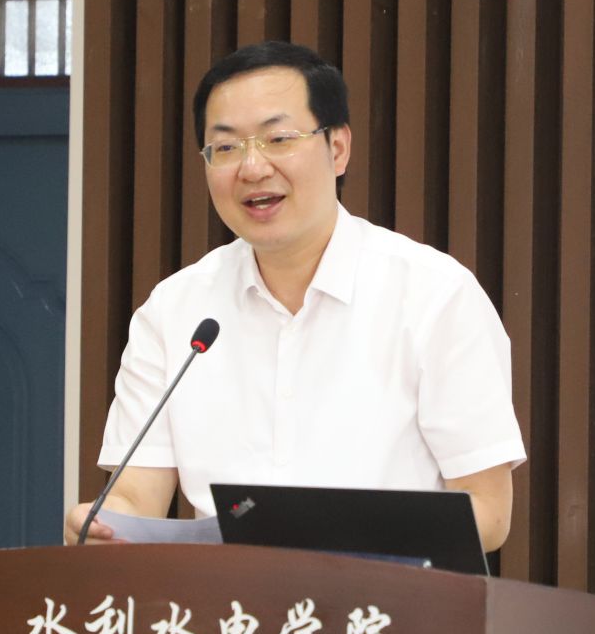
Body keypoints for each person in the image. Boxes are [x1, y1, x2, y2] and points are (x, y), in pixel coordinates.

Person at [63, 41, 525, 550]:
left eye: (279, 139)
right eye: (226, 148)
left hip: (387, 597)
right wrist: (107, 525)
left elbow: (487, 513)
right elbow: (135, 495)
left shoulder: (434, 295)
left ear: (338, 148)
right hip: (229, 601)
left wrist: (333, 537)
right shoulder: (174, 312)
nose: (252, 168)